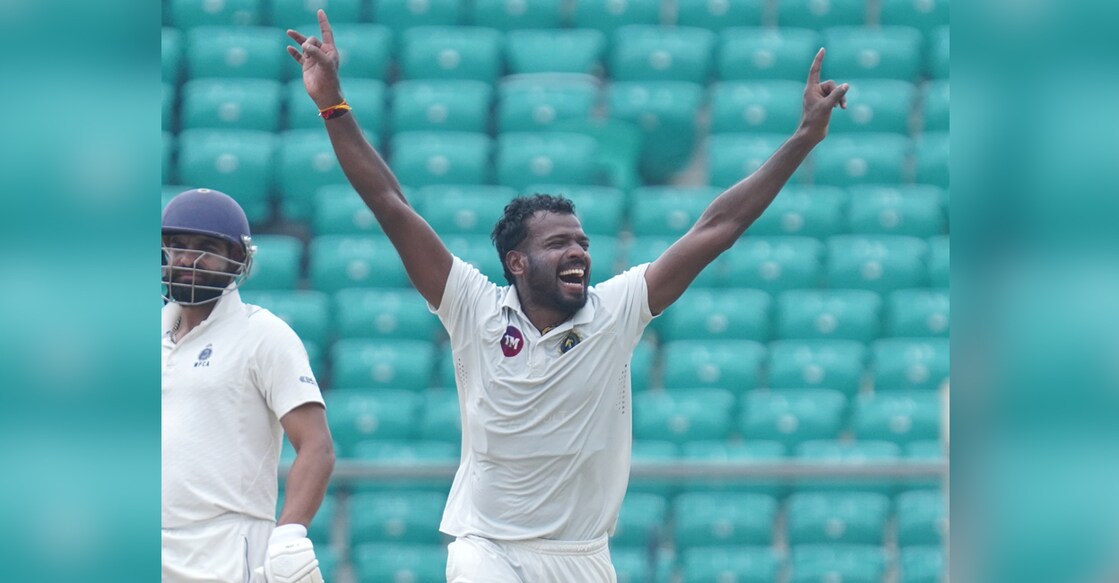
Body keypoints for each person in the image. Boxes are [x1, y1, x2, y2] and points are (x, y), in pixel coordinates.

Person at [287, 10, 848, 582]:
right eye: (559, 244)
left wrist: (803, 138)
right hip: (488, 548)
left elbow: (716, 228)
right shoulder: (472, 306)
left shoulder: (616, 311)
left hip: (581, 558)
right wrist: (332, 104)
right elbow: (390, 203)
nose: (579, 252)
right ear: (517, 262)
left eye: (582, 242)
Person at [161, 188, 335, 583]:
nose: (187, 258)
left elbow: (317, 446)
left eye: (205, 247)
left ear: (238, 258)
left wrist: (289, 533)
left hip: (228, 550)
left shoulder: (263, 334)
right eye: (177, 246)